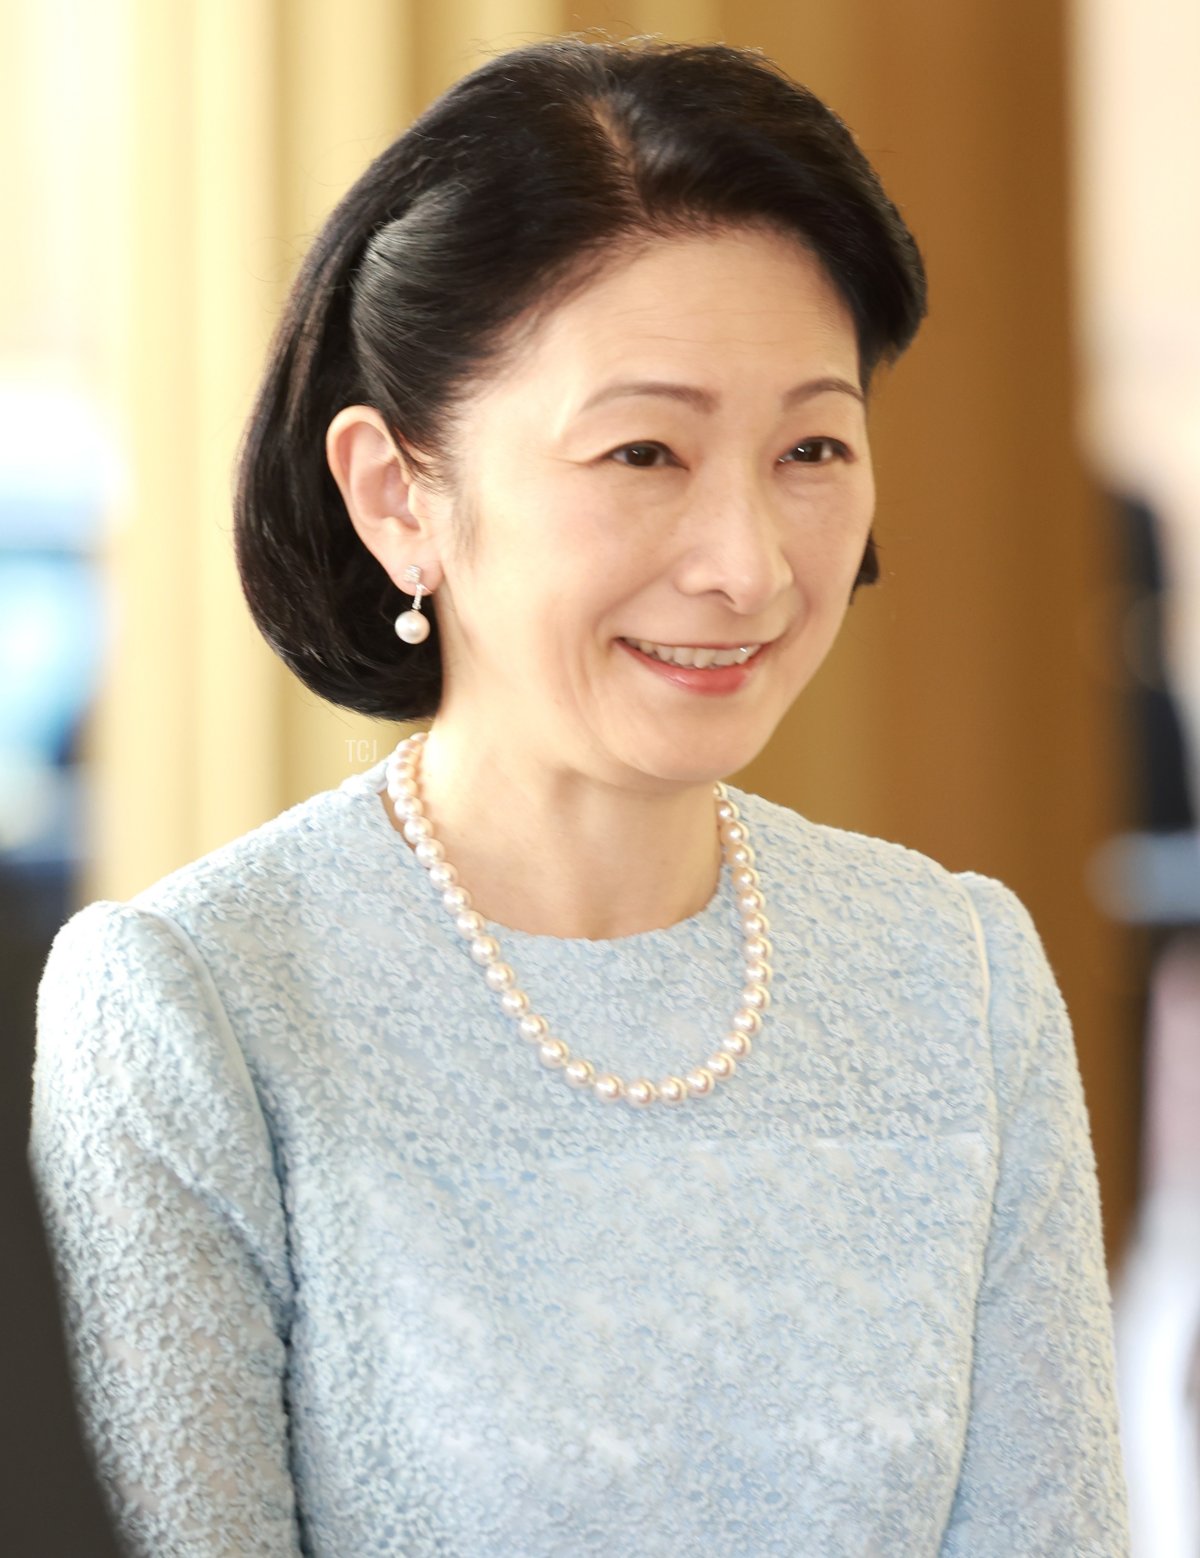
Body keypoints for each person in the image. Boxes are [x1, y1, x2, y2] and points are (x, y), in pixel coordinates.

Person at [27, 33, 1131, 1557]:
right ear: (395, 495)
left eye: (813, 444)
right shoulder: (195, 1010)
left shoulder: (960, 976)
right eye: (643, 451)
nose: (747, 561)